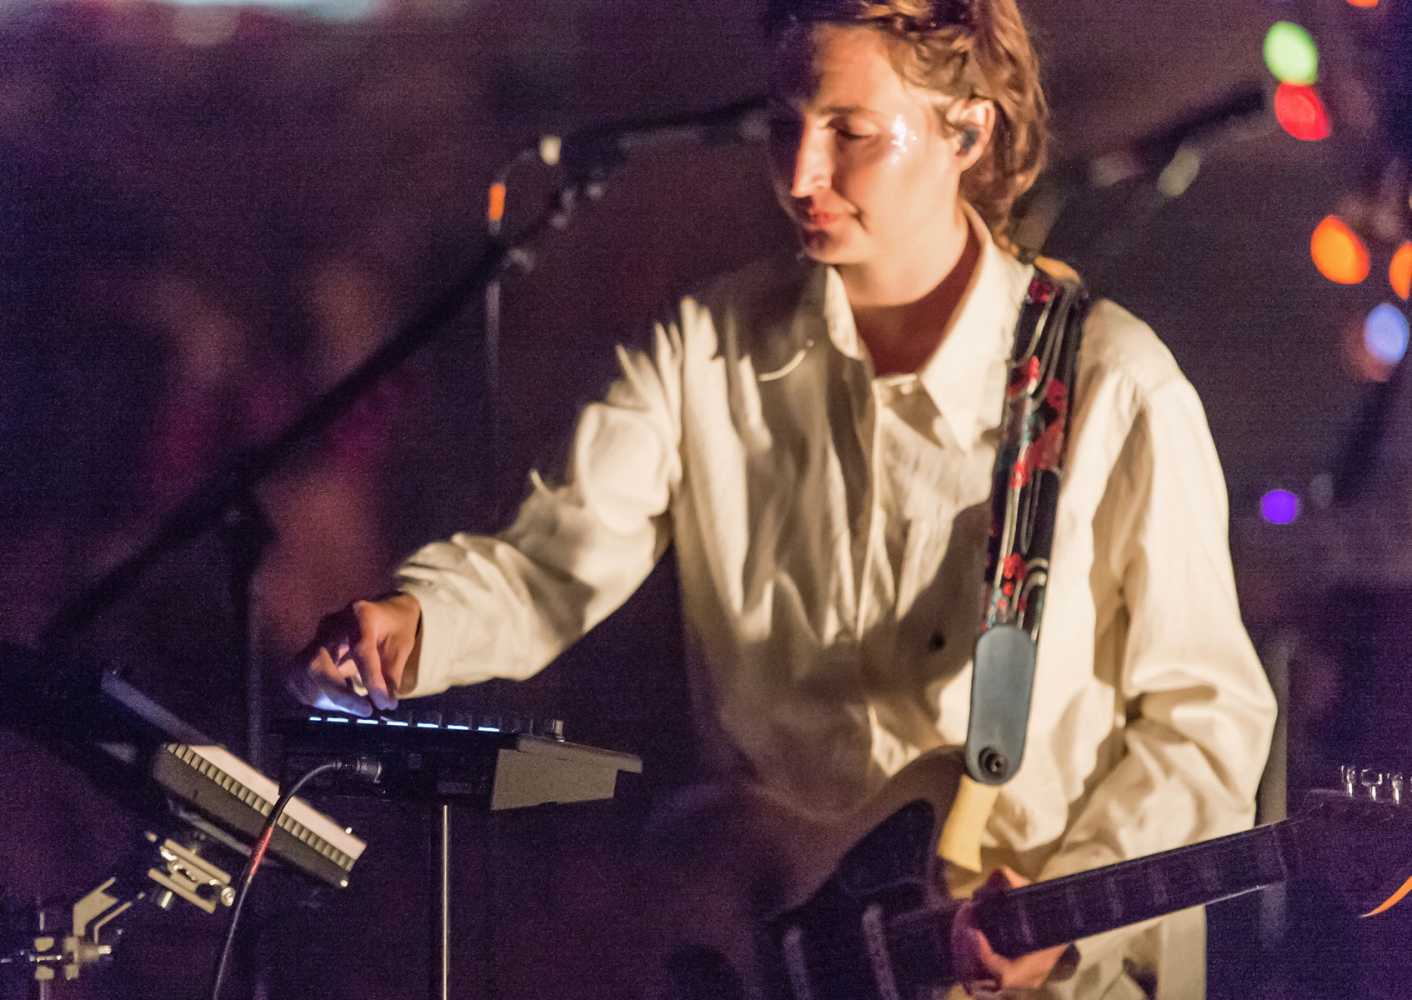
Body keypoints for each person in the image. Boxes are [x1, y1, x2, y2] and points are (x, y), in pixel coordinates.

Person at [287, 0, 1276, 995]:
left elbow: (1207, 721)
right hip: (775, 944)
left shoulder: (1111, 386)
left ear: (965, 130)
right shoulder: (704, 349)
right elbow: (549, 564)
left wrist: (1064, 902)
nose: (801, 173)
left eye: (849, 132)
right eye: (782, 123)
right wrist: (417, 620)